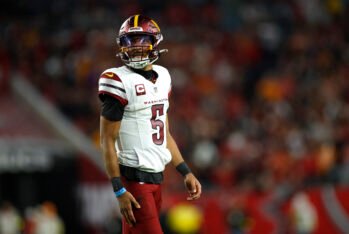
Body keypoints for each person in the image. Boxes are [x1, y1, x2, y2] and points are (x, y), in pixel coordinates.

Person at [98, 14, 202, 234]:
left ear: (155, 42)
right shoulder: (117, 79)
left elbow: (164, 133)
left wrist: (185, 171)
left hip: (156, 180)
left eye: (142, 40)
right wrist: (118, 189)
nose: (135, 46)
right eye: (129, 41)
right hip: (135, 180)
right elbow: (107, 139)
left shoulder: (163, 76)